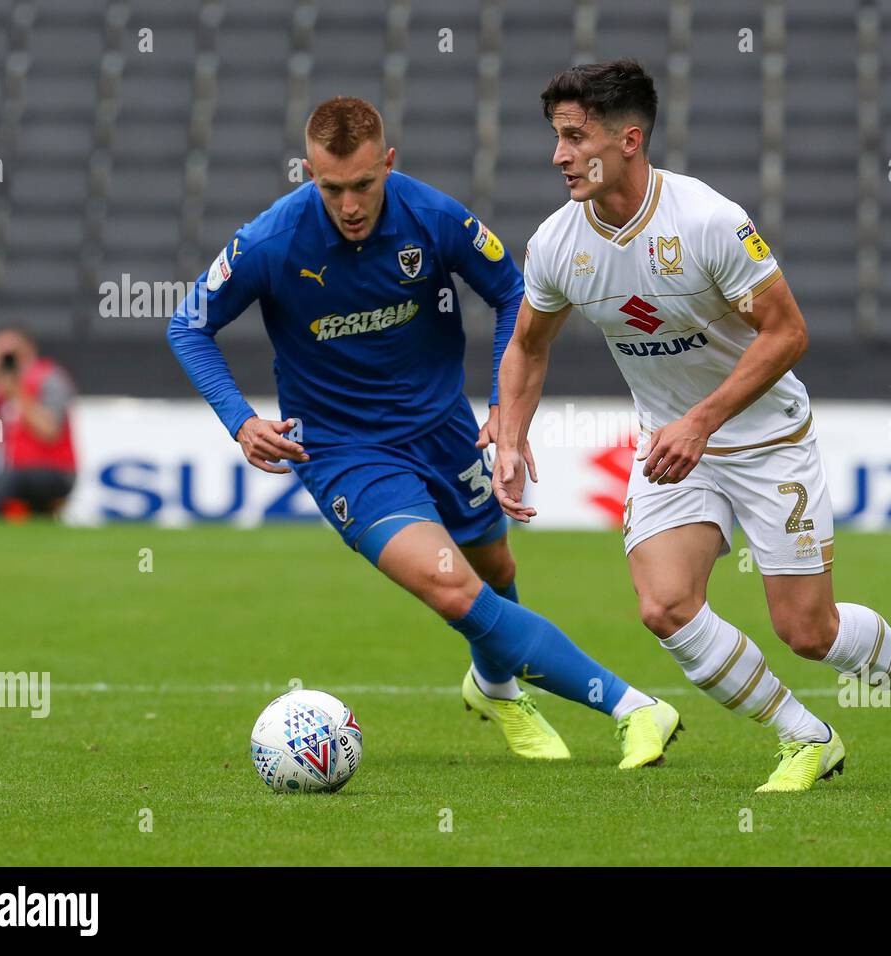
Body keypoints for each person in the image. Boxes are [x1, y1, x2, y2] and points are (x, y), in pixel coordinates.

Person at [492, 60, 891, 792]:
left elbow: (786, 334)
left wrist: (702, 421)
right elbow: (528, 344)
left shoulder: (709, 222)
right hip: (673, 449)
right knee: (664, 605)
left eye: (573, 137)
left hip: (765, 438)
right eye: (555, 138)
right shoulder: (559, 244)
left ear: (629, 139)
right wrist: (509, 434)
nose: (558, 155)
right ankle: (804, 736)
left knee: (806, 632)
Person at [167, 95, 680, 770]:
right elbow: (187, 324)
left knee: (495, 571)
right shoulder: (272, 241)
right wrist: (242, 422)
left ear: (388, 162)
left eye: (362, 186)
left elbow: (512, 294)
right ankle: (633, 708)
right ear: (309, 174)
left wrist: (502, 402)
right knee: (452, 586)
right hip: (348, 454)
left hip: (444, 432)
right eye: (330, 189)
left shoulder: (434, 218)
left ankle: (494, 687)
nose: (349, 206)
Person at [0, 327, 77, 517]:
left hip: (50, 469)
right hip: (6, 465)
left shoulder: (49, 378)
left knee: (15, 476)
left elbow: (50, 430)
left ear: (29, 350)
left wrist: (17, 392)